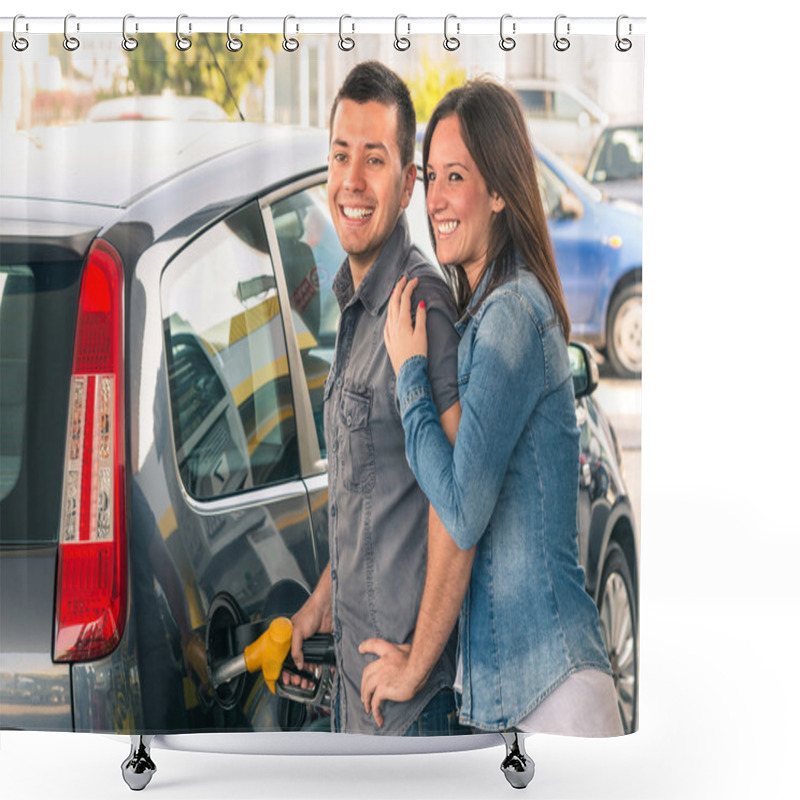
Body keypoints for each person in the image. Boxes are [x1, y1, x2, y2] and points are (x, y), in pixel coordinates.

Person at [360, 78, 623, 736]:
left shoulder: (511, 316)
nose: (437, 199)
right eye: (432, 178)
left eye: (457, 176)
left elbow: (462, 508)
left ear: (501, 191)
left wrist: (410, 374)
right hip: (519, 699)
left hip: (554, 693)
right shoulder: (485, 316)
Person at [282, 61, 469, 736]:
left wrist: (418, 664)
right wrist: (319, 608)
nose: (352, 183)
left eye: (374, 159)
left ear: (408, 183)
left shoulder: (422, 308)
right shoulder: (357, 306)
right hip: (356, 702)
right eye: (340, 157)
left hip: (409, 713)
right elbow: (374, 500)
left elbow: (458, 506)